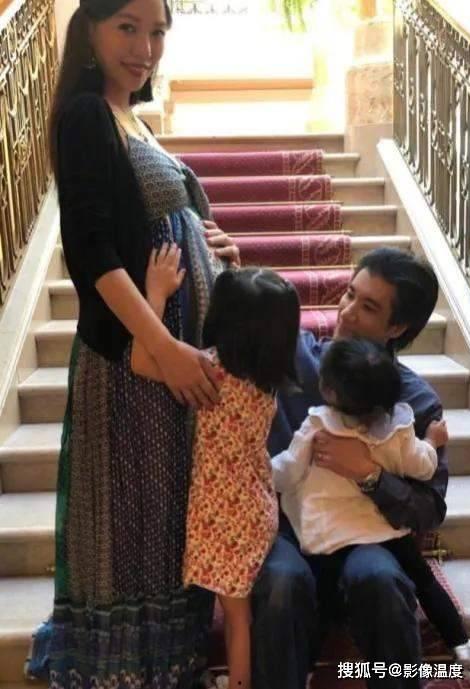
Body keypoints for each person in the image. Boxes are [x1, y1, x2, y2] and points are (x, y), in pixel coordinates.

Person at [33, 1, 241, 687]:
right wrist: (165, 346)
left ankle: (170, 664)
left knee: (166, 518)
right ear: (89, 30)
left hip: (168, 360)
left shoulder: (134, 120)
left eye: (156, 32)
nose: (145, 47)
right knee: (135, 525)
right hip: (135, 363)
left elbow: (165, 220)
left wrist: (216, 246)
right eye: (127, 27)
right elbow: (92, 251)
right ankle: (129, 672)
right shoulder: (86, 115)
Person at [251, 248, 453, 689]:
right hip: (287, 531)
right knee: (281, 582)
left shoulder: (414, 401)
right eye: (349, 294)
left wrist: (370, 475)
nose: (346, 312)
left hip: (365, 537)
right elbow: (239, 322)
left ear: (397, 327)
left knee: (380, 579)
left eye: (369, 307)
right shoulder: (298, 358)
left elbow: (428, 510)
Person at [131, 251, 301, 689]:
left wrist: (155, 294)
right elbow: (264, 305)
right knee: (238, 612)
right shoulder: (267, 379)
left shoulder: (209, 372)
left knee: (236, 618)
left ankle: (240, 683)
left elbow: (140, 361)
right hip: (253, 507)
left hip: (221, 512)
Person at [271, 336, 470, 667]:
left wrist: (260, 468)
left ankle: (306, 667)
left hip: (329, 538)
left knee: (319, 602)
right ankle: (462, 645)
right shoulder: (397, 429)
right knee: (424, 580)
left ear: (329, 391)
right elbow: (424, 467)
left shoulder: (318, 428)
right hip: (385, 533)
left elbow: (287, 473)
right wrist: (431, 440)